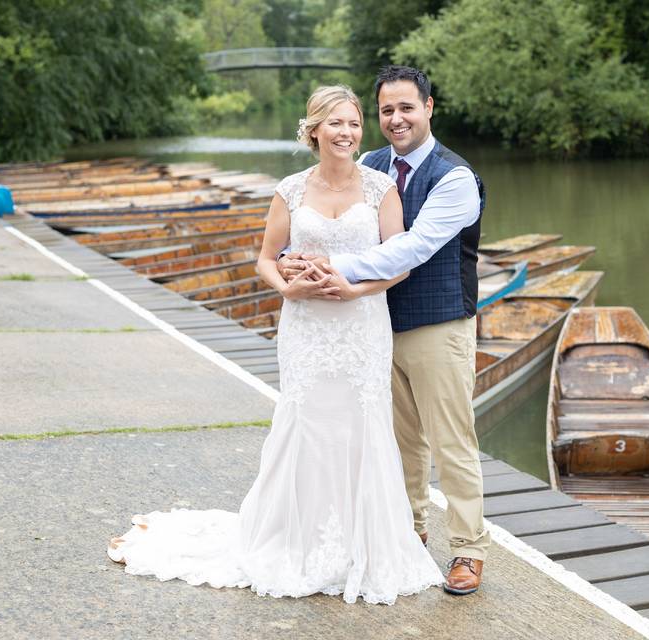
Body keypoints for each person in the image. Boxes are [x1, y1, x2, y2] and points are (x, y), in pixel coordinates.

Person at [107, 85, 443, 605]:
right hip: (307, 327)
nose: (347, 133)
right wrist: (287, 286)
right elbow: (266, 258)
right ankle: (295, 541)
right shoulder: (290, 189)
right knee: (306, 421)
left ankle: (366, 547)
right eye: (336, 123)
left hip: (360, 327)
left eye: (354, 124)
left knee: (363, 423)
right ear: (314, 130)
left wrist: (355, 287)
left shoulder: (381, 188)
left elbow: (397, 262)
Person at [280, 65, 490, 595]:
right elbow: (312, 213)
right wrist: (293, 262)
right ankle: (410, 531)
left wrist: (331, 268)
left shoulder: (455, 178)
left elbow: (414, 247)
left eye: (406, 108)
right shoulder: (370, 167)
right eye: (386, 111)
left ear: (429, 108)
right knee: (397, 442)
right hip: (370, 329)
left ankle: (468, 549)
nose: (396, 119)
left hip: (437, 326)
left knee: (451, 440)